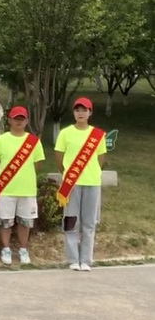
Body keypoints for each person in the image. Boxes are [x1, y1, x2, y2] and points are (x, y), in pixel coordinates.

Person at [54, 97, 106, 272]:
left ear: (90, 113)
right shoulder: (65, 133)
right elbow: (59, 156)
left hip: (92, 183)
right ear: (74, 113)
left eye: (84, 110)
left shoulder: (97, 135)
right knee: (71, 221)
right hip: (72, 184)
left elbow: (101, 158)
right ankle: (73, 259)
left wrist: (92, 172)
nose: (81, 113)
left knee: (89, 222)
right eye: (78, 110)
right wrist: (67, 173)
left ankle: (86, 260)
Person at [0, 106, 45, 266]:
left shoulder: (34, 142)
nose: (19, 121)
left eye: (22, 119)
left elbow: (38, 165)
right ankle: (5, 249)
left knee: (25, 222)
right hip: (6, 189)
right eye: (16, 118)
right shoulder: (0, 141)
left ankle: (23, 250)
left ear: (26, 121)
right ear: (9, 120)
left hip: (27, 189)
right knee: (5, 222)